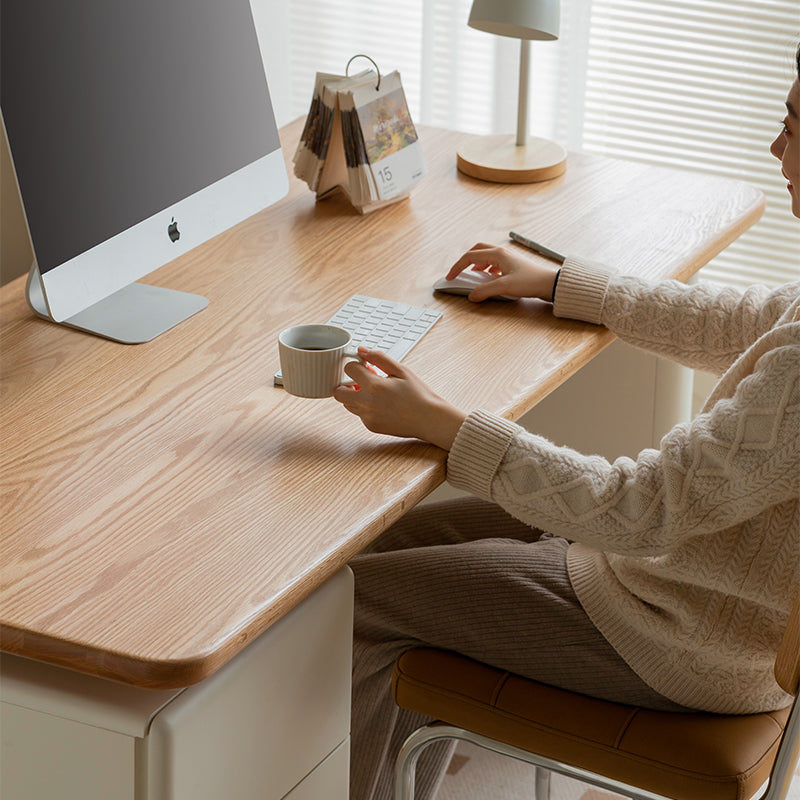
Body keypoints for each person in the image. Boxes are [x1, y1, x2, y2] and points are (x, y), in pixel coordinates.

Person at [334, 46, 800, 800]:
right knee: (369, 550)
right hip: (676, 593)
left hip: (673, 636)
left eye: (792, 125)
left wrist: (447, 425)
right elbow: (738, 319)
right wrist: (559, 283)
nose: (775, 147)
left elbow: (638, 507)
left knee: (350, 604)